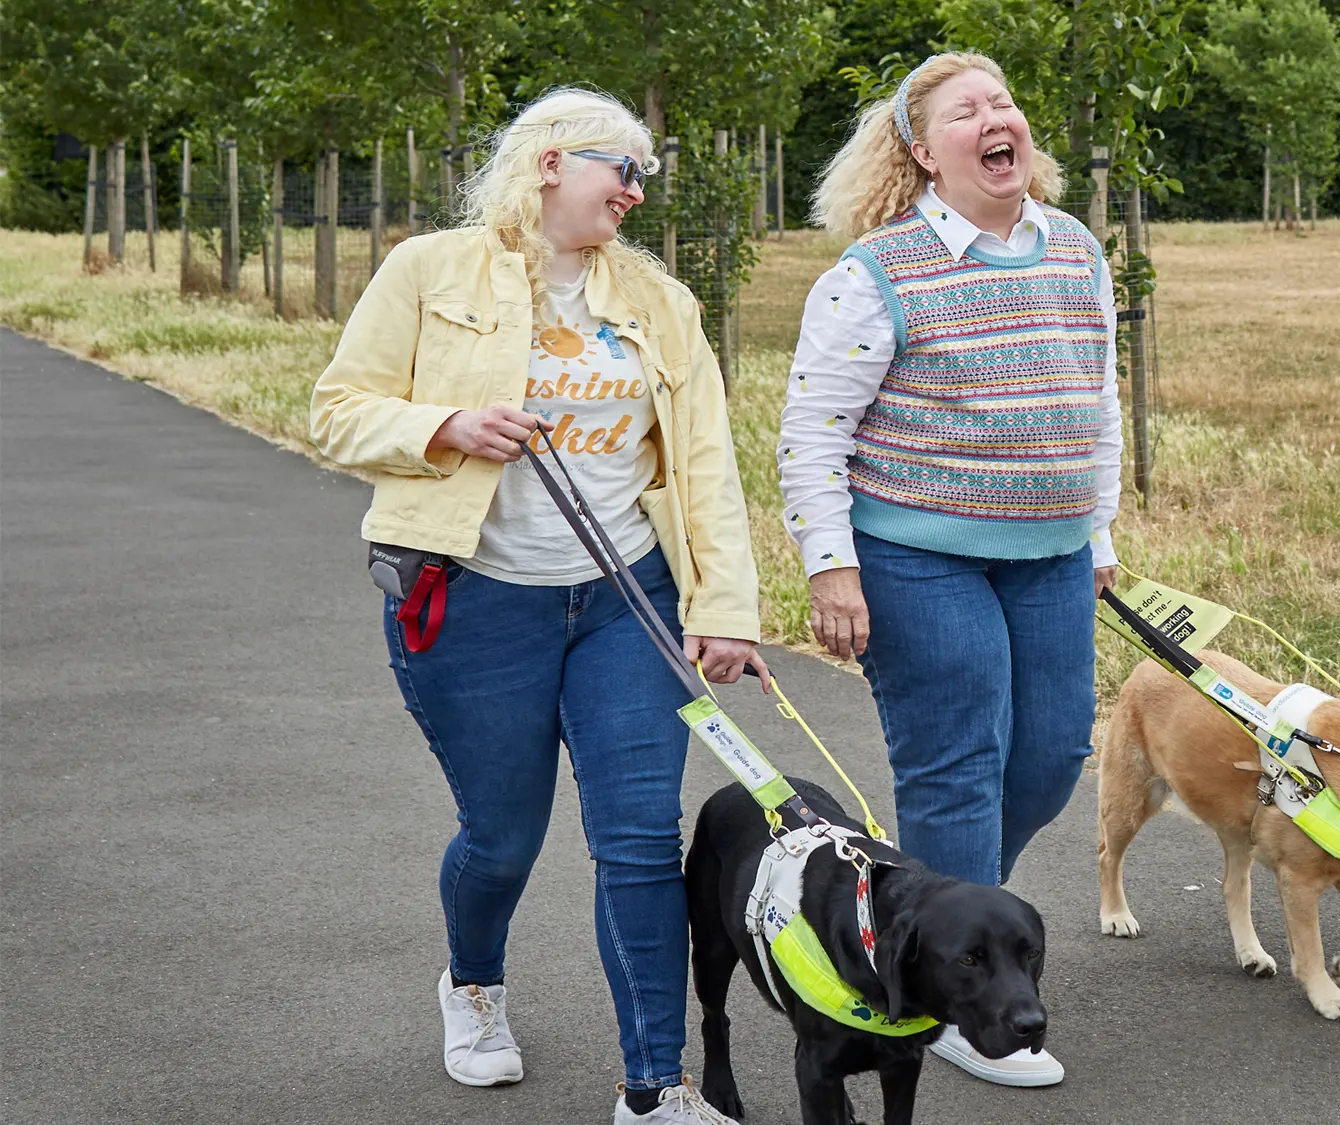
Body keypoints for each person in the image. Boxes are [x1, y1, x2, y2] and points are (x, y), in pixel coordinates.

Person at [309, 88, 761, 1125]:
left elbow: (703, 469)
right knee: (502, 837)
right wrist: (448, 425)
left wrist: (724, 607)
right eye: (624, 171)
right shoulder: (429, 270)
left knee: (641, 839)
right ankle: (472, 984)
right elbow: (336, 413)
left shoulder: (659, 303)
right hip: (474, 605)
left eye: (646, 177)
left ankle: (655, 1086)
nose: (638, 195)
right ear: (553, 161)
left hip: (624, 604)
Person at [776, 52, 1123, 1088]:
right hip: (915, 554)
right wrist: (829, 566)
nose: (994, 116)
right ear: (924, 153)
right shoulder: (875, 273)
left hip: (1051, 552)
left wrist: (1096, 536)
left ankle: (928, 918)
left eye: (1003, 101)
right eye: (964, 110)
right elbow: (811, 430)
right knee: (957, 762)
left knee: (1053, 751)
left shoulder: (1074, 248)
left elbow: (1094, 402)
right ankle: (972, 1008)